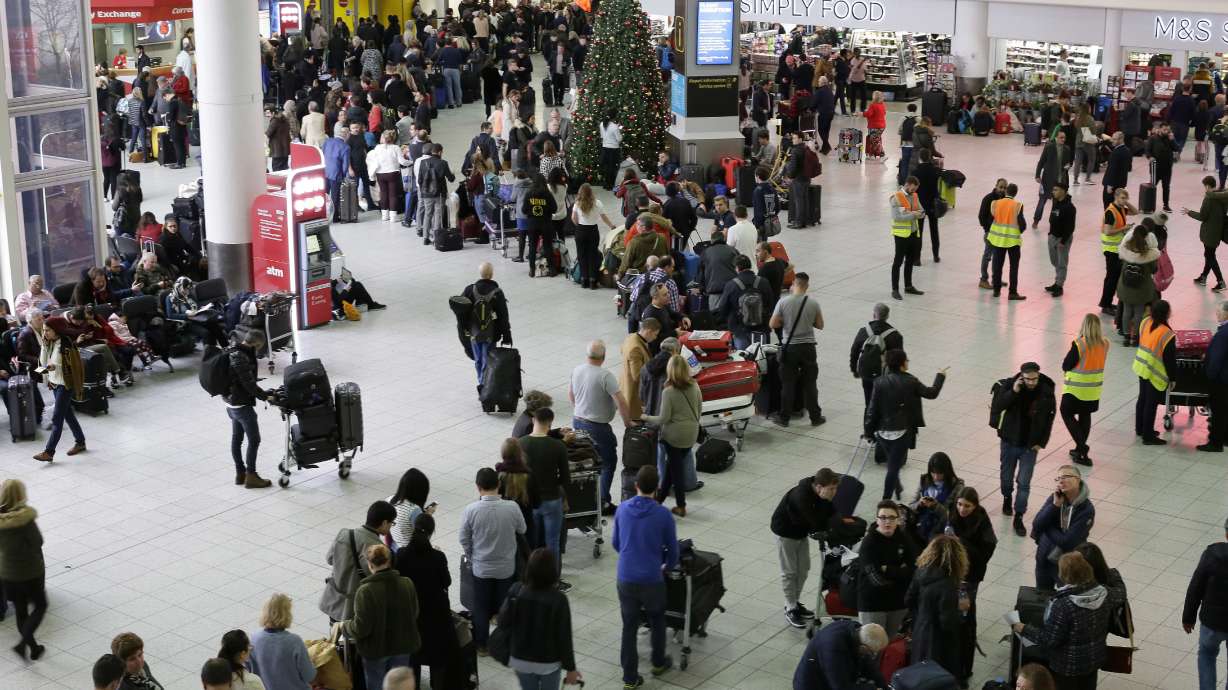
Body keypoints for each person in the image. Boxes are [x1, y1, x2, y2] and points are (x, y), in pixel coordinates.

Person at [612, 466, 678, 688]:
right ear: (657, 488)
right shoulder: (663, 515)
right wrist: (666, 567)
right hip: (652, 579)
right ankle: (658, 663)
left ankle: (630, 678)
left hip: (626, 577)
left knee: (629, 626)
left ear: (636, 485)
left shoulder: (622, 509)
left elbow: (616, 543)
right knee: (657, 620)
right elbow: (673, 552)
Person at [1013, 553, 1110, 689]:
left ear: (1064, 575)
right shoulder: (1102, 594)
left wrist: (1024, 629)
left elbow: (1050, 640)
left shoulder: (1063, 605)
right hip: (1093, 658)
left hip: (1068, 666)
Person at [460, 467, 527, 654]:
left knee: (481, 607)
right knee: (504, 606)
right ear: (499, 484)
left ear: (478, 487)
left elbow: (463, 538)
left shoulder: (471, 510)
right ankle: (504, 643)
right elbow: (522, 529)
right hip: (506, 568)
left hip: (481, 568)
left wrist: (472, 556)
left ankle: (482, 645)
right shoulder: (512, 507)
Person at [865, 349, 947, 500]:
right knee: (892, 468)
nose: (908, 362)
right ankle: (886, 500)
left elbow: (872, 409)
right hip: (902, 432)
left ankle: (897, 487)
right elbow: (931, 393)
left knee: (892, 462)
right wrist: (940, 376)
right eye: (906, 360)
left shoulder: (879, 382)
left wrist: (868, 432)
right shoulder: (911, 381)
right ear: (902, 363)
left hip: (882, 432)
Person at [992, 362, 1057, 537]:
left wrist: (1042, 442)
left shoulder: (1046, 391)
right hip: (1009, 441)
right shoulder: (1010, 385)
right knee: (1006, 477)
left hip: (1030, 446)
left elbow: (1050, 418)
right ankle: (1007, 497)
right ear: (1022, 377)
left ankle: (1019, 515)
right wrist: (1014, 391)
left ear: (1038, 375)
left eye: (1034, 379)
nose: (1031, 382)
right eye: (1028, 379)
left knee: (1024, 482)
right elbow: (998, 406)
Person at [569, 340, 633, 515]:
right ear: (603, 357)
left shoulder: (577, 370)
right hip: (598, 427)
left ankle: (587, 499)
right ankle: (602, 501)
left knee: (587, 460)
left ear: (587, 355)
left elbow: (571, 395)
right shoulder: (605, 376)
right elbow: (621, 401)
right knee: (608, 463)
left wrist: (581, 411)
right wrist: (628, 423)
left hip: (577, 421)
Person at [344, 544, 420, 690]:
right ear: (389, 561)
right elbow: (414, 612)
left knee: (376, 685)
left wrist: (345, 626)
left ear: (369, 564)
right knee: (399, 685)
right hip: (403, 645)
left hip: (375, 650)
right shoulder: (406, 583)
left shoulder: (365, 591)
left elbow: (361, 627)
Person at [771, 467, 838, 628]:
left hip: (800, 532)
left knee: (803, 569)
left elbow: (830, 514)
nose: (834, 492)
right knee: (790, 572)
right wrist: (828, 531)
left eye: (835, 488)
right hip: (785, 533)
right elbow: (815, 522)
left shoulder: (821, 495)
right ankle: (790, 607)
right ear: (819, 487)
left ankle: (794, 602)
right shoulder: (801, 496)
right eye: (831, 489)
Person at [506, 548, 583, 689]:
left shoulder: (516, 590)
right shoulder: (559, 599)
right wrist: (570, 668)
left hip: (520, 658)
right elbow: (564, 637)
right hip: (548, 662)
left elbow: (503, 621)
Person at [947, 487, 997, 684]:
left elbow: (984, 553)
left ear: (975, 506)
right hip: (951, 574)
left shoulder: (981, 522)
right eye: (959, 504)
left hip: (969, 578)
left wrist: (961, 542)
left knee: (965, 618)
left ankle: (963, 667)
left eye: (967, 506)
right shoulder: (952, 515)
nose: (962, 509)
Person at [641, 354, 701, 518]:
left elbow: (663, 419)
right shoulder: (695, 385)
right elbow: (699, 409)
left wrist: (645, 417)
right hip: (691, 434)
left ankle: (681, 506)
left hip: (674, 437)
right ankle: (659, 500)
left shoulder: (668, 391)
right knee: (672, 467)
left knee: (676, 472)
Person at [321, 501, 395, 623]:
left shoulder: (344, 534)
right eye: (392, 523)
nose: (391, 526)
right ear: (384, 523)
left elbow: (329, 559)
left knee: (334, 632)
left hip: (334, 601)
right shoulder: (380, 551)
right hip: (357, 607)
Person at [906, 534, 969, 676]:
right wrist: (962, 611)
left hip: (920, 631)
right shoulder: (948, 584)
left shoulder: (921, 571)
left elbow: (909, 599)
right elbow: (947, 623)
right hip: (938, 644)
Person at [768, 272, 825, 427]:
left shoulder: (783, 302)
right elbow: (820, 325)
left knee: (788, 384)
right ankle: (815, 417)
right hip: (808, 348)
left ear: (794, 283)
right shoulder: (813, 303)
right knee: (810, 383)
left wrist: (785, 321)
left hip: (790, 348)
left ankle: (784, 418)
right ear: (807, 286)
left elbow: (773, 324)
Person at [519, 407, 570, 579]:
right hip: (552, 500)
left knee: (533, 542)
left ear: (533, 420)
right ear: (550, 423)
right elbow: (566, 478)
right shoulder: (558, 446)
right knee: (552, 543)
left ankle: (532, 577)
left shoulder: (521, 443)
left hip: (529, 502)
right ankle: (553, 579)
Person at [857, 500, 919, 638]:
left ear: (898, 520)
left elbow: (915, 568)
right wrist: (901, 574)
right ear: (877, 520)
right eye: (883, 517)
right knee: (872, 645)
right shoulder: (869, 543)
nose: (887, 522)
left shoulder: (904, 538)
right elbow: (875, 578)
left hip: (898, 604)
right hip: (873, 604)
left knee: (889, 642)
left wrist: (888, 570)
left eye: (892, 517)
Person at [0, 479, 46, 661]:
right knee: (41, 606)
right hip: (29, 572)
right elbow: (38, 542)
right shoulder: (25, 519)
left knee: (21, 611)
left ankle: (33, 648)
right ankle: (22, 644)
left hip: (7, 574)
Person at [1031, 465, 1095, 590]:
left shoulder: (1086, 509)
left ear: (1078, 480)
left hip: (1068, 563)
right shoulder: (1055, 498)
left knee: (1067, 596)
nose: (1061, 481)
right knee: (1042, 596)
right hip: (1044, 557)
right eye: (1059, 478)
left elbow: (1067, 542)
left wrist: (1046, 526)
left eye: (1065, 477)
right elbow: (1037, 524)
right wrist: (1054, 506)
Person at [31, 321, 87, 464]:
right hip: (55, 384)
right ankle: (80, 442)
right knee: (68, 415)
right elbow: (42, 362)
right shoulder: (50, 343)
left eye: (48, 330)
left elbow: (71, 365)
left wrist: (54, 366)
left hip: (65, 385)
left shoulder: (66, 344)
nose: (45, 333)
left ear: (56, 330)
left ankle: (49, 452)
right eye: (44, 330)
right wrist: (44, 346)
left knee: (57, 418)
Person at [1059, 314, 1110, 467]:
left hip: (1075, 389)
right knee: (1085, 415)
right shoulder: (1105, 344)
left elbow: (1066, 365)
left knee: (1066, 413)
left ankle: (1082, 447)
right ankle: (1079, 450)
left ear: (1084, 326)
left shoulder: (1080, 344)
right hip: (1093, 389)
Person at [1184, 515, 1228, 690]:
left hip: (1212, 623)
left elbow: (1196, 586)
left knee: (1207, 655)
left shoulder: (1212, 554)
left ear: (1226, 534)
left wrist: (1188, 618)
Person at [792, 620, 888, 690]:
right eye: (872, 652)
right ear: (863, 647)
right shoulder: (833, 647)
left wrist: (883, 685)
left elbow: (868, 665)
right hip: (812, 685)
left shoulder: (858, 632)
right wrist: (872, 688)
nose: (873, 656)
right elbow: (841, 687)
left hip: (829, 680)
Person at [249, 594, 316, 690]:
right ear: (287, 614)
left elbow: (250, 671)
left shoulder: (254, 639)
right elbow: (309, 676)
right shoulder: (294, 642)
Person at [1132, 300, 1176, 445]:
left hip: (1141, 365)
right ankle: (1148, 436)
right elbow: (1169, 360)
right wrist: (1173, 378)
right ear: (1167, 314)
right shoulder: (1167, 334)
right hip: (1154, 371)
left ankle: (1140, 429)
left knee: (1142, 399)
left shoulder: (1145, 322)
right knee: (1151, 403)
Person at [462, 262, 512, 384]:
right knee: (488, 359)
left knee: (478, 359)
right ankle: (487, 384)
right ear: (491, 274)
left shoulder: (469, 290)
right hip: (492, 333)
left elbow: (461, 310)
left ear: (480, 274)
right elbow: (503, 317)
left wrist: (465, 329)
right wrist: (507, 335)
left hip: (474, 333)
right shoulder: (497, 293)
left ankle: (481, 382)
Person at [850, 302, 904, 413]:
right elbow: (899, 359)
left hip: (866, 372)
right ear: (887, 316)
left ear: (874, 314)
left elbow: (854, 351)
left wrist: (854, 369)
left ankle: (868, 422)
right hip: (885, 376)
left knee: (869, 403)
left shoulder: (863, 331)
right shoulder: (895, 335)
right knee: (885, 404)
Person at [1116, 225, 1161, 345]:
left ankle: (1126, 337)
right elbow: (1154, 270)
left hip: (1126, 286)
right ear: (1146, 237)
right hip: (1142, 288)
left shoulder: (1125, 248)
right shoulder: (1149, 253)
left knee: (1126, 311)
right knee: (1138, 313)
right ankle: (1135, 338)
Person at [720, 255, 775, 350]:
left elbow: (723, 308)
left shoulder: (731, 285)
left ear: (737, 268)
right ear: (750, 265)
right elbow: (771, 304)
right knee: (761, 354)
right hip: (761, 328)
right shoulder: (763, 282)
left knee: (742, 356)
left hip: (740, 330)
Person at [1184, 176, 1228, 292]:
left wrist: (1189, 212)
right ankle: (1203, 277)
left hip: (1209, 232)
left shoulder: (1209, 198)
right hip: (1218, 230)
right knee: (1209, 254)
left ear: (1207, 186)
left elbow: (1203, 216)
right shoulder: (1223, 197)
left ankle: (1221, 282)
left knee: (1210, 256)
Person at [909, 452, 964, 542]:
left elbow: (955, 515)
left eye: (939, 474)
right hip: (920, 527)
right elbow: (911, 505)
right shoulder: (924, 480)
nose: (936, 477)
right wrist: (919, 504)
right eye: (933, 473)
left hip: (940, 532)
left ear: (947, 471)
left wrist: (935, 506)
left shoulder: (956, 486)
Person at [570, 183, 616, 289]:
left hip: (580, 230)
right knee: (593, 255)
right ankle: (592, 281)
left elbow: (573, 218)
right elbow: (604, 217)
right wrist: (611, 226)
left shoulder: (577, 203)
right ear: (591, 192)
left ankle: (584, 279)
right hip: (593, 231)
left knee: (581, 255)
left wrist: (578, 226)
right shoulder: (597, 203)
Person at [1099, 187, 1137, 315]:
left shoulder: (1120, 209)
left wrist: (1126, 203)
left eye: (1126, 198)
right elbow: (1107, 231)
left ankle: (1107, 303)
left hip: (1117, 249)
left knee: (1114, 278)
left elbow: (1135, 211)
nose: (1124, 200)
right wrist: (1124, 228)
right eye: (1122, 198)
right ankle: (1105, 305)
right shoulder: (1111, 212)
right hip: (1110, 250)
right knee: (1111, 278)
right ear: (1115, 197)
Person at [888, 176, 926, 300]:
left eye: (916, 189)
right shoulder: (896, 198)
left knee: (910, 261)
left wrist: (914, 214)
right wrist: (914, 214)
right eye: (913, 188)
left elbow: (922, 212)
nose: (914, 191)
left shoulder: (914, 196)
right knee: (898, 262)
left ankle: (908, 286)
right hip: (901, 235)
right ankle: (895, 289)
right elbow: (898, 217)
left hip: (913, 233)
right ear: (908, 184)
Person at [988, 182, 1027, 300]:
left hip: (998, 240)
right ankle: (1012, 292)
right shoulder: (1018, 205)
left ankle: (996, 290)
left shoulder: (995, 203)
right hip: (1013, 242)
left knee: (997, 266)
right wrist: (1019, 230)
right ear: (1015, 193)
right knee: (1013, 267)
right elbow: (1022, 224)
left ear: (1006, 191)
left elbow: (992, 217)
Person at [619, 318, 658, 421]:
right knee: (637, 424)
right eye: (655, 334)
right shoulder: (636, 348)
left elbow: (622, 350)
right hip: (634, 394)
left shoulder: (631, 337)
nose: (655, 337)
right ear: (649, 331)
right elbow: (638, 376)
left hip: (625, 384)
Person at [1042, 183, 1076, 297]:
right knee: (1054, 261)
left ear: (1063, 191)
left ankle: (1059, 286)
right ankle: (1057, 282)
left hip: (1062, 239)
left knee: (1062, 263)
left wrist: (1063, 241)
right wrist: (1050, 234)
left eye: (1056, 190)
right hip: (1053, 236)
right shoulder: (1056, 202)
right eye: (1053, 189)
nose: (1053, 192)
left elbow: (1070, 227)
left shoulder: (1070, 208)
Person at [1202, 302, 1228, 453]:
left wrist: (1209, 377)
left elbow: (1216, 360)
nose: (1217, 314)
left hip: (1221, 380)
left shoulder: (1223, 334)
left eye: (1219, 311)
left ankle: (1215, 442)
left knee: (1218, 411)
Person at [521, 175, 559, 277]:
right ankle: (552, 269)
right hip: (546, 223)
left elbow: (523, 210)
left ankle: (532, 270)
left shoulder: (529, 194)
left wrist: (531, 212)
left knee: (532, 246)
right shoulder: (547, 194)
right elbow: (554, 209)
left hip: (532, 223)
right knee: (548, 246)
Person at [417, 143, 455, 244]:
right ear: (440, 152)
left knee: (427, 214)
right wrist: (453, 173)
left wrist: (424, 190)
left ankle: (425, 238)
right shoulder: (443, 163)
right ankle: (436, 238)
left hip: (426, 194)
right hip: (440, 194)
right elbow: (451, 179)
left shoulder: (423, 162)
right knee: (438, 215)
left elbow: (419, 180)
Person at [1033, 131, 1070, 229]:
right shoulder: (1049, 147)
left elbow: (1068, 163)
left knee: (1056, 205)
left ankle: (1053, 223)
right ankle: (1036, 220)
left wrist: (1068, 166)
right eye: (1061, 137)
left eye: (1064, 138)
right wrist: (1037, 175)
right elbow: (1041, 162)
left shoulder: (1067, 149)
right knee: (1042, 201)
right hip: (1047, 180)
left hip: (1059, 182)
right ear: (1056, 138)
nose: (1063, 139)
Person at [389, 468, 433, 550]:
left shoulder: (390, 500)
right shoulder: (414, 510)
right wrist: (428, 516)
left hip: (394, 546)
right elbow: (423, 538)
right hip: (410, 551)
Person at [976, 178, 1008, 289]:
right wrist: (988, 229)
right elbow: (981, 216)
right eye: (1001, 187)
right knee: (987, 256)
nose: (1002, 189)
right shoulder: (988, 198)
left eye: (1004, 188)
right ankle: (983, 279)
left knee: (997, 257)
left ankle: (996, 279)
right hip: (990, 233)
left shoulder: (1005, 199)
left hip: (1000, 233)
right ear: (996, 186)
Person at [369, 130, 407, 222]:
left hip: (380, 174)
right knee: (393, 195)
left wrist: (371, 176)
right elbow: (402, 161)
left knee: (383, 194)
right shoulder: (396, 148)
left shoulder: (377, 148)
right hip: (393, 173)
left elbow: (374, 163)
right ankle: (393, 217)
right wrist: (411, 162)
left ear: (383, 138)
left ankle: (384, 216)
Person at [696, 229, 739, 310]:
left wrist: (702, 289)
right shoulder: (733, 251)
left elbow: (701, 274)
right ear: (724, 239)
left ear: (712, 240)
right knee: (731, 315)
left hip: (714, 292)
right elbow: (740, 269)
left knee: (715, 315)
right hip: (732, 291)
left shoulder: (706, 252)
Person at [912, 149, 941, 262]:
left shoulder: (915, 172)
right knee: (934, 230)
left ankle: (917, 258)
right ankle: (936, 256)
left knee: (919, 232)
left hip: (920, 205)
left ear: (920, 157)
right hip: (933, 204)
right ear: (929, 157)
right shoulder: (935, 171)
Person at [1146, 121, 1178, 212]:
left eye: (1168, 130)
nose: (1166, 132)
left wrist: (1172, 140)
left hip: (1167, 167)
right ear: (1160, 129)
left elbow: (1177, 148)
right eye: (1164, 130)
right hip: (1155, 167)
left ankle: (1166, 205)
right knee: (1152, 186)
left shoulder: (1170, 138)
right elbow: (1147, 150)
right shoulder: (1153, 138)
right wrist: (1150, 157)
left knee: (1166, 187)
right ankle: (1149, 205)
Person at [1101, 131, 1132, 210]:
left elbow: (1112, 169)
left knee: (1108, 206)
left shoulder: (1116, 153)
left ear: (1121, 139)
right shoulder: (1127, 150)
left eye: (1114, 139)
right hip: (1121, 184)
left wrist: (1110, 185)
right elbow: (1129, 167)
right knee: (1118, 206)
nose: (1112, 141)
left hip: (1112, 185)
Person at [599, 111, 622, 190]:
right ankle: (610, 184)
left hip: (604, 148)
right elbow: (619, 139)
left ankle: (605, 184)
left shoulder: (602, 124)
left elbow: (602, 136)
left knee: (606, 167)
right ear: (614, 117)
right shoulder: (614, 127)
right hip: (614, 149)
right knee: (612, 168)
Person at [265, 104, 291, 171]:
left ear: (273, 112)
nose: (266, 115)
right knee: (284, 170)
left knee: (276, 171)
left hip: (277, 152)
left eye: (268, 113)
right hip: (285, 151)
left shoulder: (275, 121)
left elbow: (268, 133)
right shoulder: (284, 119)